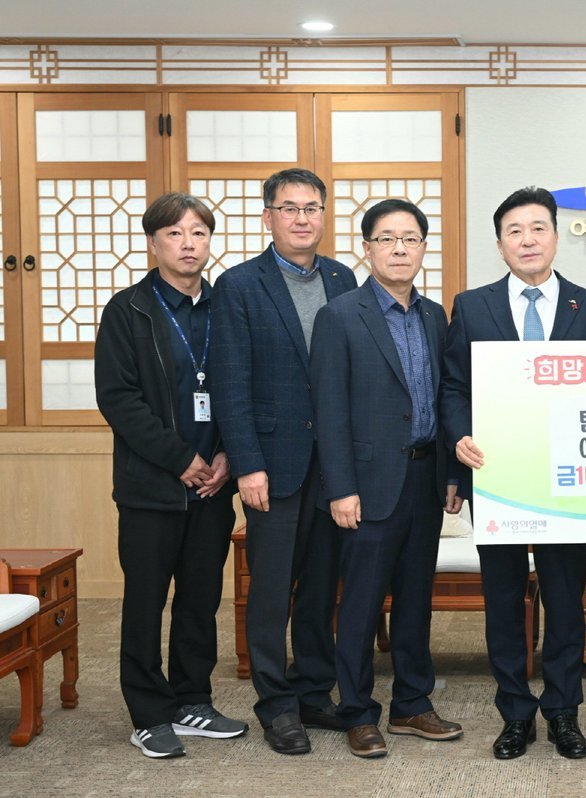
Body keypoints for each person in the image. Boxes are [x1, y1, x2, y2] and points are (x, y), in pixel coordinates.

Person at [442, 186, 586, 760]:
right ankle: (515, 713)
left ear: (556, 237)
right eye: (514, 231)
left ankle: (564, 711)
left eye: (538, 228)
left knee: (566, 602)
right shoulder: (472, 305)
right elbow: (454, 387)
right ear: (500, 245)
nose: (527, 240)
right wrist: (458, 438)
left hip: (568, 481)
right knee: (504, 600)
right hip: (498, 479)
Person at [310, 199, 464, 758]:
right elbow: (328, 410)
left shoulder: (434, 315)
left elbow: (444, 399)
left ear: (423, 248)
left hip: (424, 479)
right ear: (367, 248)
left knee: (416, 601)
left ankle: (411, 704)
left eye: (410, 239)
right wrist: (340, 488)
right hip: (367, 484)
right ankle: (357, 711)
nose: (399, 249)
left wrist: (451, 474)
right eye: (387, 238)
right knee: (361, 604)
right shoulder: (340, 316)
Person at [95, 192, 248, 758]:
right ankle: (148, 713)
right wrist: (179, 459)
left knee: (200, 601)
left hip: (213, 485)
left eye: (199, 233)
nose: (188, 244)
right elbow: (119, 399)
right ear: (154, 243)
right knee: (145, 602)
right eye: (175, 234)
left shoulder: (226, 306)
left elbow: (241, 387)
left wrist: (228, 456)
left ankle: (192, 701)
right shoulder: (128, 310)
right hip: (152, 487)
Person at [210, 168, 357, 755]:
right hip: (273, 463)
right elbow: (230, 382)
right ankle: (276, 705)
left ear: (324, 215)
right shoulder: (239, 285)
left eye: (312, 207)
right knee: (271, 590)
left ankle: (313, 692)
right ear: (268, 216)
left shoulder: (343, 279)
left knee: (322, 588)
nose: (302, 218)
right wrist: (247, 464)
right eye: (289, 208)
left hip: (334, 465)